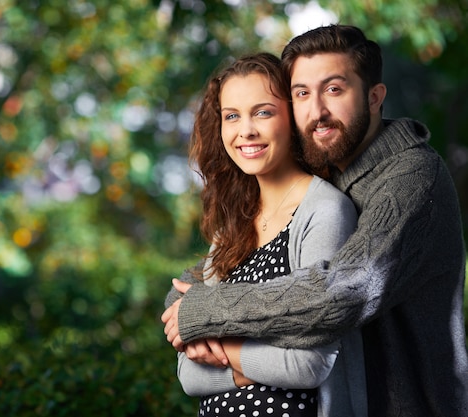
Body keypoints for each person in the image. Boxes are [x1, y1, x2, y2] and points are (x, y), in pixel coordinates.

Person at [162, 25, 468, 417]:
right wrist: (182, 305)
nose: (317, 111)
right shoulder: (330, 169)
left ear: (375, 97)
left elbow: (340, 293)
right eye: (302, 93)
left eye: (334, 89)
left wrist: (205, 312)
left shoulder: (411, 177)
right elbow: (201, 281)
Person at [173, 52, 366, 417]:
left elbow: (308, 365)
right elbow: (188, 375)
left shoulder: (325, 212)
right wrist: (258, 363)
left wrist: (223, 350)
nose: (245, 130)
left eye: (262, 112)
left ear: (291, 119)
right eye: (232, 116)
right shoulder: (233, 227)